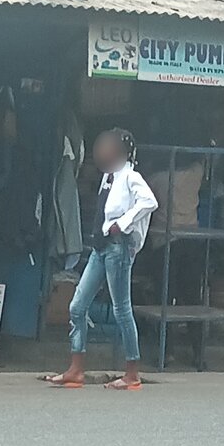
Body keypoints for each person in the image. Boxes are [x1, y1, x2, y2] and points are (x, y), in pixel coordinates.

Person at [48, 128, 157, 390]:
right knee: (77, 306)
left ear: (122, 153)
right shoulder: (109, 177)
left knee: (121, 309)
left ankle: (132, 373)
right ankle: (76, 369)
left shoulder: (131, 177)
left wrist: (123, 223)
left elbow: (149, 202)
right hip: (100, 248)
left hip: (117, 248)